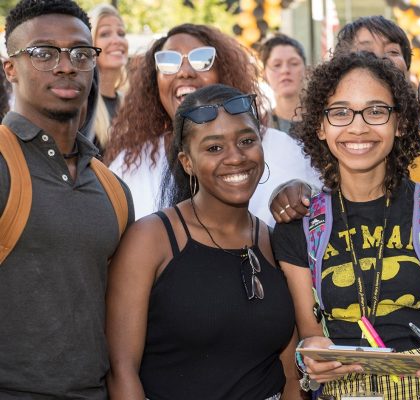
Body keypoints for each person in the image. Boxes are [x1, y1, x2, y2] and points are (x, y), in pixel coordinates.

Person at [271, 51, 420, 399]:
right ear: (320, 125)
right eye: (341, 112)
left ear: (400, 123)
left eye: (376, 111)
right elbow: (309, 335)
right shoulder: (298, 227)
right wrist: (310, 353)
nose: (358, 127)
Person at [106, 84, 300, 399]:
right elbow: (121, 370)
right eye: (213, 148)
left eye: (247, 141)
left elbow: (291, 369)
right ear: (187, 162)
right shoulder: (151, 240)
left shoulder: (272, 240)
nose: (236, 157)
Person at [0, 0, 134, 397]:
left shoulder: (113, 188)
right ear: (10, 68)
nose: (65, 65)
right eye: (43, 53)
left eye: (80, 53)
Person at [105, 23, 318, 224]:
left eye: (202, 60)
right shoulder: (131, 164)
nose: (185, 71)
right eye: (168, 61)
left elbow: (321, 209)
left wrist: (300, 194)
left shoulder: (281, 149)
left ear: (224, 73)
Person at [334, 15, 420, 184]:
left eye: (392, 51)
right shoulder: (336, 133)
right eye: (367, 52)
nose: (381, 58)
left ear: (407, 67)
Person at [86, 4, 128, 155]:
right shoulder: (83, 107)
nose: (117, 40)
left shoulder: (130, 104)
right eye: (104, 34)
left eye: (121, 33)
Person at [259, 33, 306, 136]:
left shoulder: (324, 121)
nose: (285, 70)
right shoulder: (259, 126)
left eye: (294, 63)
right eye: (277, 65)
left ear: (305, 70)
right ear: (264, 74)